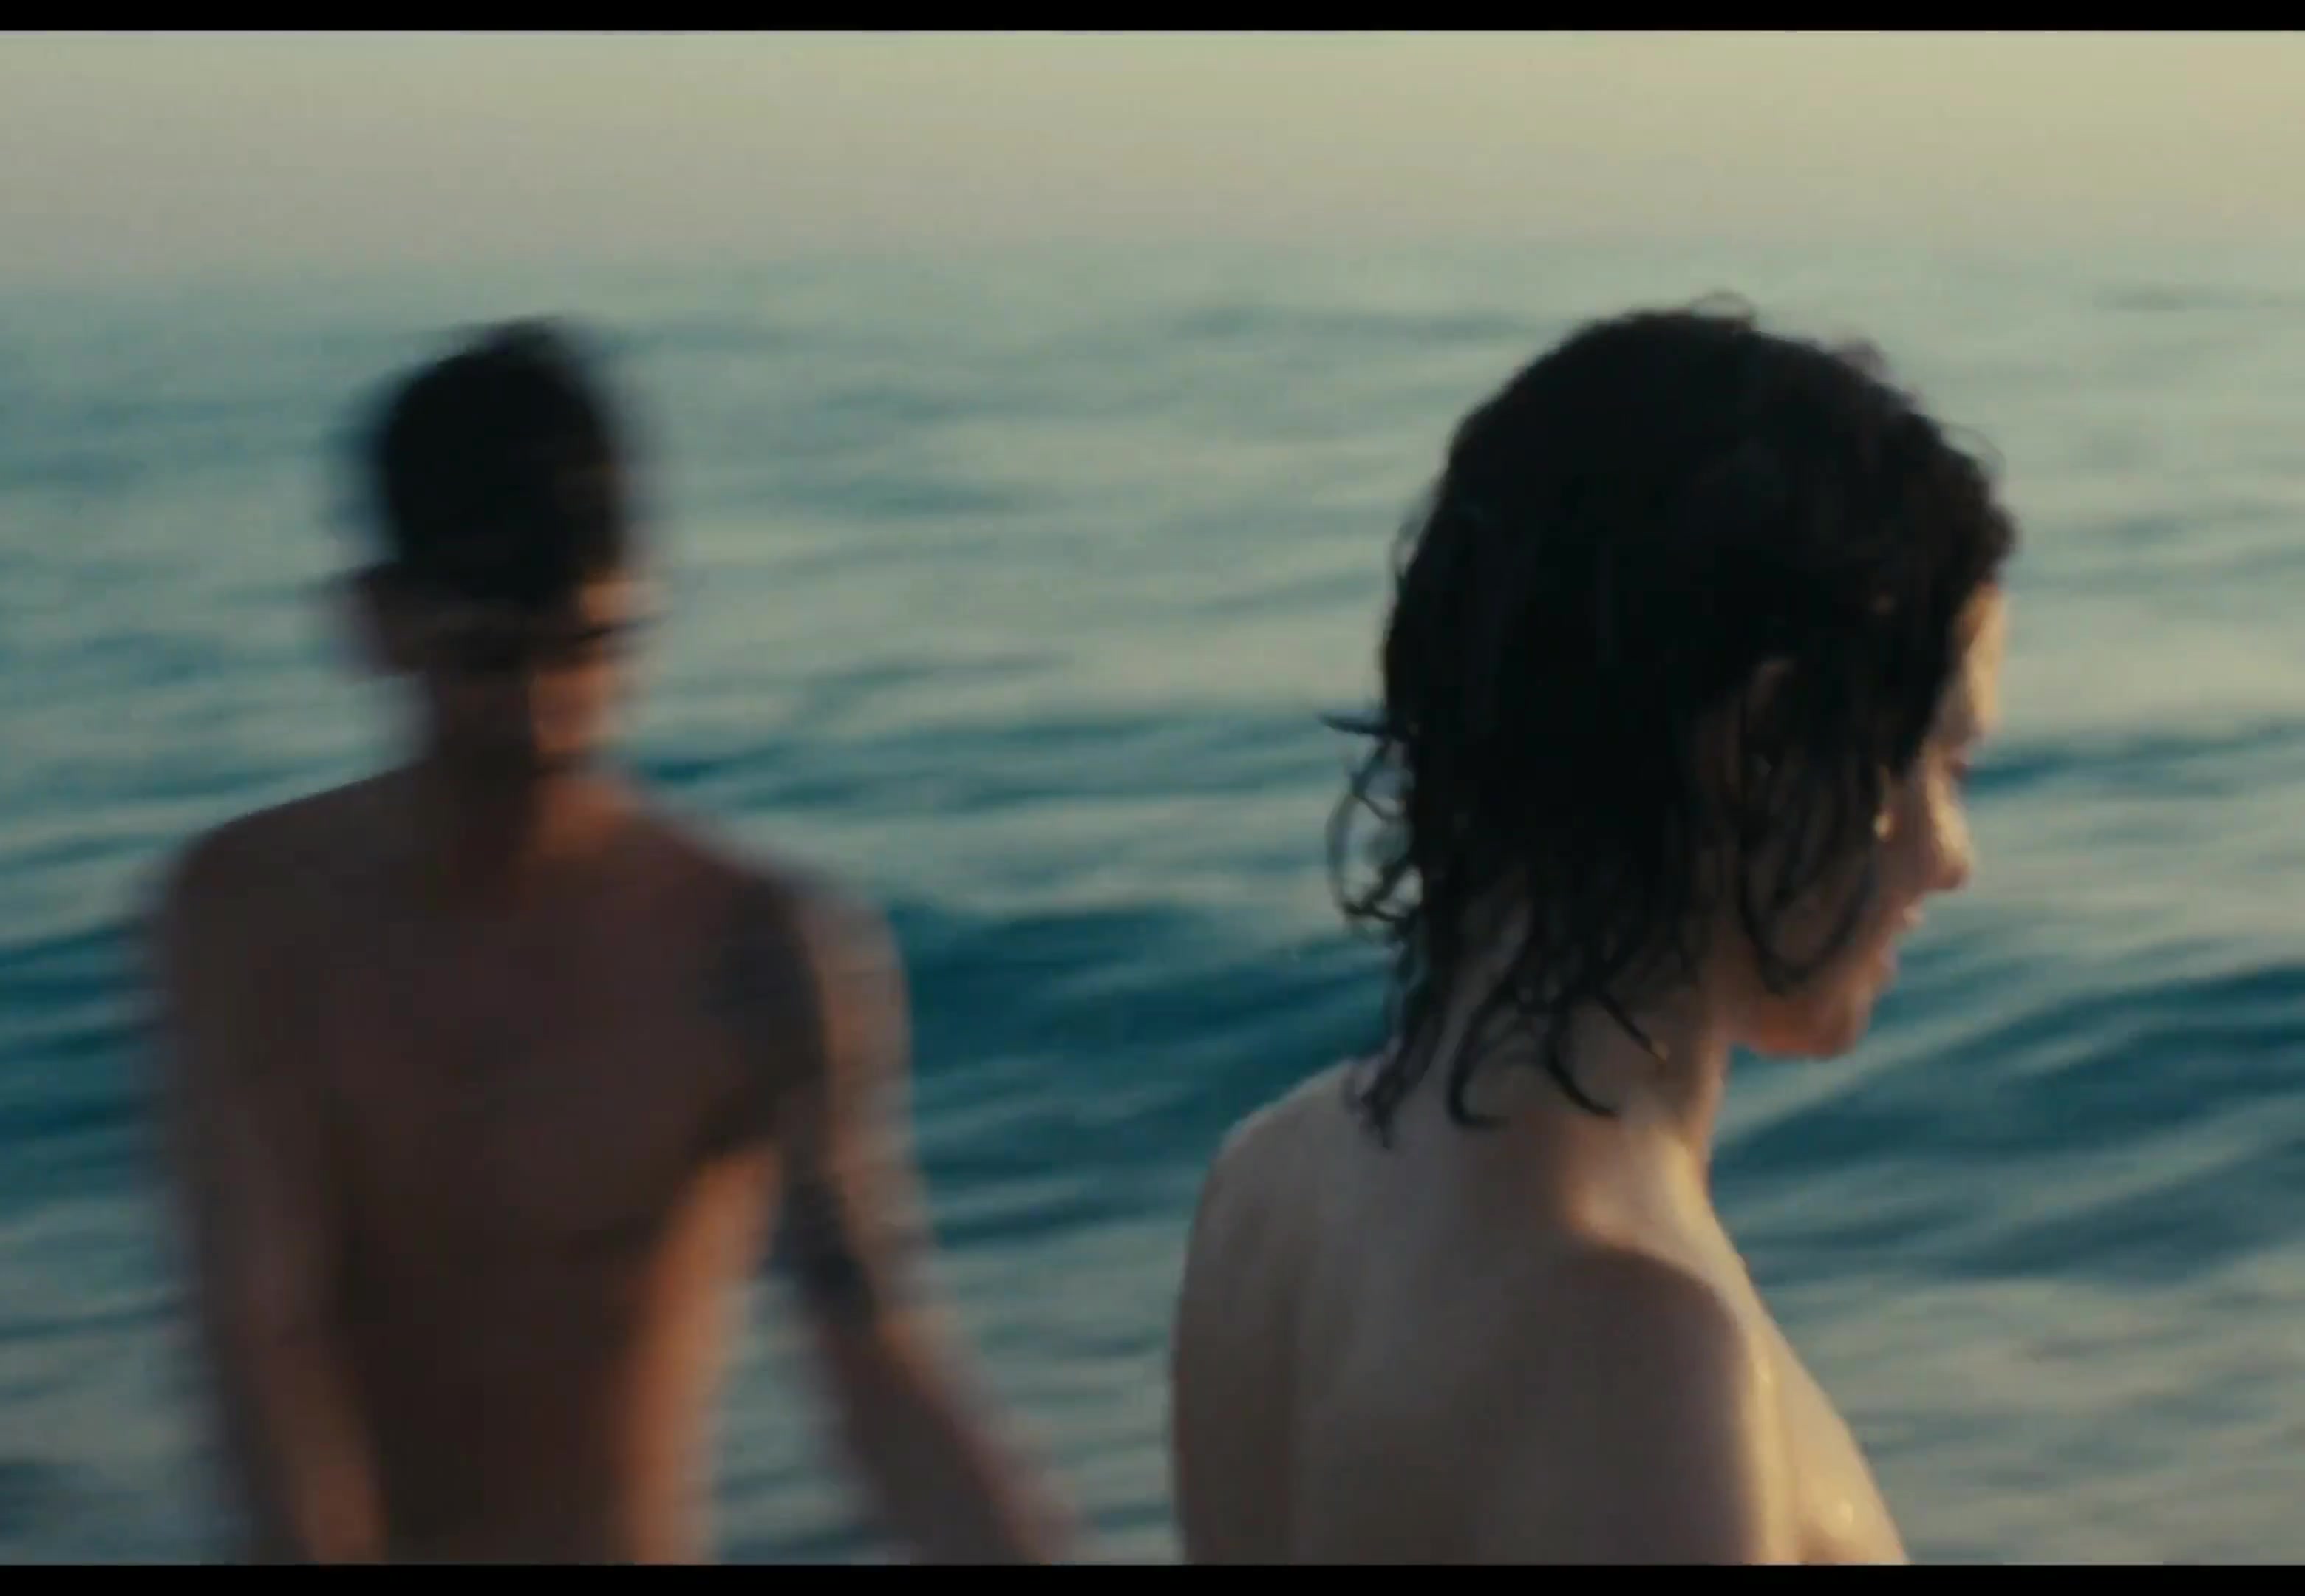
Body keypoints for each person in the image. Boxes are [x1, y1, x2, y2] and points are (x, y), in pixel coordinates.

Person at [138, 321, 1072, 1563]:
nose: (544, 716)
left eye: (585, 650)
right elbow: (265, 1336)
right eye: (487, 657)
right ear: (375, 625)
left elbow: (874, 1357)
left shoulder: (755, 952)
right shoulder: (250, 920)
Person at [1169, 303, 2017, 1563]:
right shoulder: (1641, 1357)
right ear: (1765, 745)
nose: (1952, 857)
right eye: (1944, 765)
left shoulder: (1271, 1187)